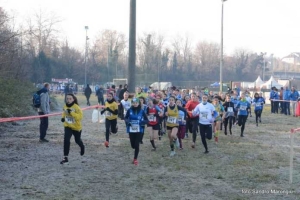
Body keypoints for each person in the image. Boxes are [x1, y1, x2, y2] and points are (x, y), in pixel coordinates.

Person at [60, 94, 85, 164]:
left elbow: (80, 117)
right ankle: (65, 157)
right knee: (66, 140)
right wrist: (63, 118)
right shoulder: (65, 106)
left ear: (73, 99)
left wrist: (72, 113)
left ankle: (82, 146)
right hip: (68, 126)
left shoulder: (77, 107)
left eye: (70, 98)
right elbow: (64, 113)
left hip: (76, 127)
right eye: (67, 99)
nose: (68, 100)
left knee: (77, 140)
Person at [125, 98, 149, 165]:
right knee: (133, 145)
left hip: (139, 130)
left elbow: (147, 120)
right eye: (134, 103)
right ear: (132, 103)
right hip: (131, 129)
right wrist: (128, 122)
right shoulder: (129, 110)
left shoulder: (142, 111)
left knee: (137, 144)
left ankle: (135, 159)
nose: (135, 104)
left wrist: (142, 122)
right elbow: (126, 118)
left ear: (138, 103)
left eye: (136, 103)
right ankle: (135, 150)